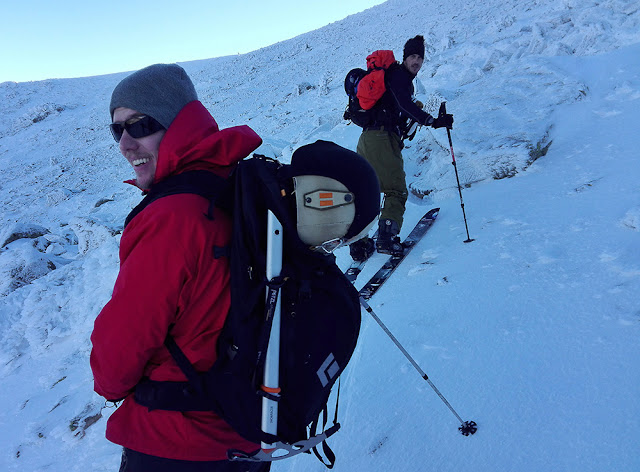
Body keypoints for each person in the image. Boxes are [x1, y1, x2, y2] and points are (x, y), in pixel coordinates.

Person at [90, 63, 270, 472]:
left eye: (139, 125)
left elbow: (125, 342)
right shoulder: (228, 181)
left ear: (178, 125)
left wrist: (106, 382)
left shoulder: (172, 214)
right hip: (242, 426)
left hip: (177, 441)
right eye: (117, 130)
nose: (125, 143)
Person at [349, 35, 454, 261]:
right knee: (396, 191)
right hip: (382, 139)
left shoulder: (391, 78)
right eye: (412, 56)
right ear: (405, 58)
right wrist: (432, 121)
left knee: (367, 191)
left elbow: (401, 109)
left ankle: (359, 244)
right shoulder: (399, 77)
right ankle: (386, 238)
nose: (416, 61)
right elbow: (404, 105)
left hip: (367, 139)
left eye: (420, 58)